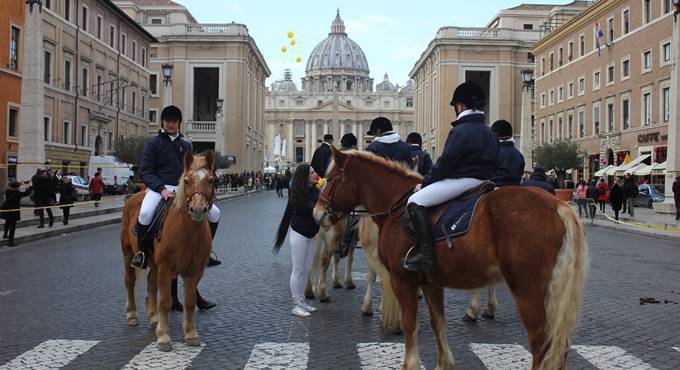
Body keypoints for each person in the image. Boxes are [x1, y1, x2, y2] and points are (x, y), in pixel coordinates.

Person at [130, 105, 220, 310]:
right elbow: (146, 171)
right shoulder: (153, 143)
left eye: (174, 121)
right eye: (167, 120)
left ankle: (205, 250)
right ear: (163, 122)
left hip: (183, 188)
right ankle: (142, 254)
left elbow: (193, 170)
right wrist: (161, 189)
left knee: (215, 213)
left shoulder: (186, 145)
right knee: (144, 213)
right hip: (158, 188)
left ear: (179, 123)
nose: (170, 124)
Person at [403, 81, 499, 271]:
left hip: (462, 181)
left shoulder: (460, 131)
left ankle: (425, 254)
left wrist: (425, 184)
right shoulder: (490, 132)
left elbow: (445, 164)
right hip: (485, 181)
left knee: (415, 202)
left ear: (460, 106)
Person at [274, 164, 320, 317]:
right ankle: (296, 304)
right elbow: (312, 208)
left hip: (312, 234)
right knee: (298, 270)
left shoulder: (315, 190)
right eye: (312, 173)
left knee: (307, 269)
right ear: (305, 176)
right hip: (299, 233)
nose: (316, 174)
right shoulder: (297, 193)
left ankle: (302, 301)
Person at [490, 119, 525, 187]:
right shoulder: (519, 155)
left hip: (495, 187)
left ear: (495, 134)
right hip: (516, 188)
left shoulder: (492, 153)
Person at [1, 181, 33, 247]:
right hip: (13, 212)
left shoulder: (8, 191)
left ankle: (5, 234)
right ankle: (10, 241)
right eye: (19, 186)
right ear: (17, 187)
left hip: (8, 210)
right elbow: (26, 193)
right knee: (12, 226)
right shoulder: (17, 193)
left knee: (7, 222)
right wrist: (30, 186)